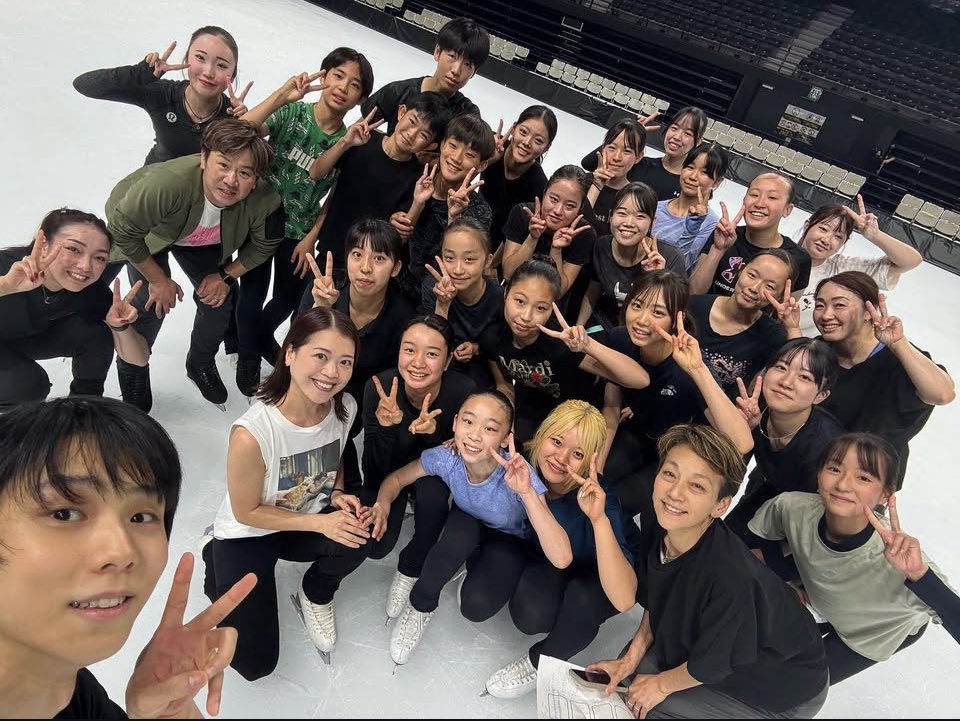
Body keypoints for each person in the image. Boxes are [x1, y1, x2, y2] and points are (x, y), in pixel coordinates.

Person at [0, 396, 255, 718]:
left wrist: (168, 713)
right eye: (65, 513)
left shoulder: (69, 690)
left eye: (141, 517)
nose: (122, 553)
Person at [586, 424, 829, 719]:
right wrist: (630, 659)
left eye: (697, 486)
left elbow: (713, 663)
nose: (674, 493)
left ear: (721, 505)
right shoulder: (659, 519)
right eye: (670, 474)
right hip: (722, 645)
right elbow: (658, 597)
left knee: (645, 705)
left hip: (780, 687)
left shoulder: (729, 578)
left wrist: (660, 686)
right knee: (629, 680)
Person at [202, 308, 370, 680]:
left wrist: (339, 492)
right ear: (290, 353)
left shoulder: (345, 407)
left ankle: (315, 593)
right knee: (254, 664)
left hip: (302, 519)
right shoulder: (253, 432)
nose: (331, 373)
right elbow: (247, 511)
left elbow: (337, 452)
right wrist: (320, 524)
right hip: (249, 532)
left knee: (359, 535)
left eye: (345, 362)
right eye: (321, 356)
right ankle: (212, 555)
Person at [372, 391, 571, 665]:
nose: (475, 435)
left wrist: (525, 492)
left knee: (476, 607)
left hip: (508, 539)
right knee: (456, 537)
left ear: (505, 439)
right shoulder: (446, 456)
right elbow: (397, 479)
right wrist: (382, 503)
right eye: (468, 422)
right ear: (454, 424)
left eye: (489, 428)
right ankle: (420, 605)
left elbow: (561, 557)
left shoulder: (518, 473)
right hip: (468, 521)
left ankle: (472, 565)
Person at [749, 433, 960, 684]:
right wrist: (787, 579)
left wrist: (920, 576)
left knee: (792, 686)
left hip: (874, 630)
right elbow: (769, 534)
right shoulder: (792, 508)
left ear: (885, 495)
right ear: (819, 474)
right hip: (827, 598)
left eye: (863, 477)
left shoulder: (899, 564)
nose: (843, 485)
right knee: (756, 651)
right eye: (835, 469)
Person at [105, 118, 282, 411]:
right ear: (203, 158)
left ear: (256, 179)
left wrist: (225, 275)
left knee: (219, 303)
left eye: (245, 172)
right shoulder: (167, 184)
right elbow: (124, 229)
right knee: (148, 303)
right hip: (152, 232)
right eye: (223, 165)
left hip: (202, 240)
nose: (231, 180)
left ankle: (199, 362)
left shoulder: (264, 200)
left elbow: (265, 245)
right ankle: (134, 371)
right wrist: (158, 280)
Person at [232, 48, 374, 392]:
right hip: (260, 221)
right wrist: (282, 95)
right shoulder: (294, 112)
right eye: (338, 76)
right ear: (323, 76)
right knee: (252, 292)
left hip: (301, 230)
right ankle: (248, 354)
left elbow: (334, 194)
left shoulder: (352, 141)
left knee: (287, 299)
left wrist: (312, 235)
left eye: (354, 84)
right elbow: (241, 130)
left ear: (360, 98)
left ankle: (257, 335)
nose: (342, 87)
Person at [484, 401, 642, 699]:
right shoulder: (523, 461)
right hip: (556, 560)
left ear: (590, 462)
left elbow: (623, 599)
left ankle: (540, 660)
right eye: (556, 441)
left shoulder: (598, 499)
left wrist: (598, 519)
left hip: (600, 573)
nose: (562, 458)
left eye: (578, 454)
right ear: (542, 434)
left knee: (582, 602)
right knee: (530, 615)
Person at [600, 272, 753, 514]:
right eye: (637, 305)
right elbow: (611, 406)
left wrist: (698, 370)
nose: (641, 320)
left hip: (682, 452)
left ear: (675, 319)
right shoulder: (620, 338)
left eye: (658, 313)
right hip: (640, 434)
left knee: (616, 504)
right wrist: (596, 467)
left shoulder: (689, 366)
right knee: (596, 481)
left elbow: (742, 443)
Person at [789, 271, 954, 487]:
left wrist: (898, 343)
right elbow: (794, 385)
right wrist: (791, 328)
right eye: (820, 305)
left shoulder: (899, 360)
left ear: (869, 311)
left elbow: (943, 394)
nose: (826, 315)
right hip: (797, 469)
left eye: (839, 305)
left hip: (857, 489)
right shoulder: (819, 351)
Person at [361, 314, 476, 619]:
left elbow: (457, 459)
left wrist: (435, 434)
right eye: (410, 350)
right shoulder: (379, 389)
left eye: (432, 354)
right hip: (390, 473)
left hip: (429, 474)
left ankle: (412, 563)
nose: (419, 363)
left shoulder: (462, 392)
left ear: (448, 361)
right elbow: (372, 470)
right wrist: (387, 428)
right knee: (375, 544)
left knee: (433, 497)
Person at [479, 257, 651, 444]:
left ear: (552, 310)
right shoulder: (492, 338)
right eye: (520, 301)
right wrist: (507, 425)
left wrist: (589, 346)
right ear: (505, 294)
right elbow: (504, 385)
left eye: (540, 308)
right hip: (530, 407)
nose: (526, 316)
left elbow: (640, 380)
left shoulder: (561, 346)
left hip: (574, 415)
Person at [0, 209, 149, 410]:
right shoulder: (8, 266)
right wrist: (7, 285)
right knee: (26, 385)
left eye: (99, 258)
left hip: (18, 341)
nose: (86, 266)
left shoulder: (91, 291)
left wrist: (120, 327)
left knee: (96, 332)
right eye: (74, 249)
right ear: (43, 245)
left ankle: (83, 411)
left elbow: (139, 359)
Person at [302, 92, 451, 271]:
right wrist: (345, 142)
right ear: (401, 112)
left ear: (431, 146)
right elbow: (316, 174)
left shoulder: (418, 179)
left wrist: (415, 207)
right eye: (412, 122)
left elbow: (400, 237)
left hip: (368, 269)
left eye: (424, 135)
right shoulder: (363, 139)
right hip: (329, 253)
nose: (412, 134)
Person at [724, 337, 844, 538]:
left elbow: (825, 522)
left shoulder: (824, 448)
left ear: (820, 396)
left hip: (811, 522)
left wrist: (776, 554)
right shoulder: (754, 406)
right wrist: (743, 429)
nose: (786, 382)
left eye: (804, 377)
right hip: (770, 490)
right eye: (780, 367)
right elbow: (730, 468)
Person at [73, 27, 248, 165]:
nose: (208, 72)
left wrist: (247, 125)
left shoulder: (232, 118)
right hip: (148, 193)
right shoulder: (164, 94)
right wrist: (139, 74)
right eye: (200, 58)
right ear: (187, 58)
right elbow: (84, 85)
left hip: (193, 202)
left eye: (221, 65)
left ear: (232, 76)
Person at [308, 220, 412, 411]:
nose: (365, 267)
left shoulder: (403, 317)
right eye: (357, 255)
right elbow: (298, 351)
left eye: (379, 258)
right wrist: (321, 309)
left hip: (362, 400)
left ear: (396, 268)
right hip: (315, 385)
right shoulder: (326, 288)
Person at [394, 113, 494, 305]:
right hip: (394, 284)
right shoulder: (417, 178)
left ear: (481, 165)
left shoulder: (479, 211)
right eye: (453, 146)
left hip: (435, 300)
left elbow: (458, 268)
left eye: (469, 155)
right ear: (442, 144)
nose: (456, 158)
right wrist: (417, 204)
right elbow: (393, 243)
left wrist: (453, 217)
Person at [796, 195, 922, 335]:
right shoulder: (778, 252)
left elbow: (911, 261)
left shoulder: (843, 269)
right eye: (823, 229)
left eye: (838, 237)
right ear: (808, 224)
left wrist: (875, 235)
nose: (826, 240)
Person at [576, 182, 684, 337]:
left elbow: (675, 316)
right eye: (621, 213)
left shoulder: (671, 257)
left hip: (646, 334)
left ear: (653, 222)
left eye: (640, 216)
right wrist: (578, 328)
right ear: (610, 216)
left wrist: (658, 277)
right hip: (606, 326)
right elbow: (593, 291)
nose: (629, 223)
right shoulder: (601, 245)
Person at [687, 250, 792, 399]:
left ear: (779, 296)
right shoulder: (693, 306)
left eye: (769, 286)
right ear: (741, 270)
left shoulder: (773, 337)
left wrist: (792, 327)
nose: (754, 288)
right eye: (752, 275)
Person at [360, 17, 488, 134]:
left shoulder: (466, 114)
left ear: (474, 72)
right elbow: (361, 128)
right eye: (452, 56)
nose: (456, 70)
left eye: (467, 64)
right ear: (437, 52)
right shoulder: (399, 92)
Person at [689, 172, 810, 296]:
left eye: (772, 197)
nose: (759, 203)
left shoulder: (798, 259)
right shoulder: (723, 234)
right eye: (754, 194)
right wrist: (717, 250)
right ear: (744, 200)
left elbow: (782, 311)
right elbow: (693, 293)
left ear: (787, 210)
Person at [421, 217, 502, 385]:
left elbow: (502, 344)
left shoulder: (499, 297)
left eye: (469, 260)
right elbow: (431, 345)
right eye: (449, 258)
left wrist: (476, 348)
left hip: (483, 368)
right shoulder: (432, 287)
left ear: (487, 261)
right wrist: (442, 304)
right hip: (439, 364)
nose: (457, 270)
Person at [501, 165, 597, 300]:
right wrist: (532, 238)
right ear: (544, 193)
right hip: (513, 296)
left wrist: (556, 249)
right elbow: (508, 274)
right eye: (554, 199)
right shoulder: (522, 213)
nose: (558, 211)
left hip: (549, 306)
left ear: (580, 208)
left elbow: (558, 292)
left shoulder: (584, 234)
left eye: (569, 206)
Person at [582, 107, 708, 200]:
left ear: (698, 142)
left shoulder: (687, 183)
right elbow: (589, 163)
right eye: (674, 128)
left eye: (688, 133)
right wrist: (628, 134)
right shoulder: (641, 164)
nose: (677, 137)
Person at [479, 106, 557, 255]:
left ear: (546, 147)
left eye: (538, 141)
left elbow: (517, 235)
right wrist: (487, 158)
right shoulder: (493, 147)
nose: (527, 142)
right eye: (523, 132)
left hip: (496, 251)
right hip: (468, 225)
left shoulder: (539, 187)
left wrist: (491, 265)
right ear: (514, 128)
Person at [651, 143, 728, 271]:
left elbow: (680, 267)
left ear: (717, 181)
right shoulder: (655, 207)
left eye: (704, 172)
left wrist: (692, 229)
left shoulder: (712, 226)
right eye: (690, 167)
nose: (693, 177)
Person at [585, 120, 646, 237]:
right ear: (603, 149)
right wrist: (596, 186)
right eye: (612, 148)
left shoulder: (636, 197)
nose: (617, 157)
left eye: (627, 151)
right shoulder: (581, 182)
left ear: (638, 157)